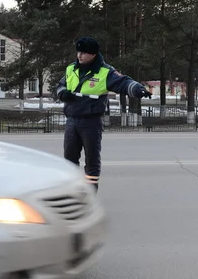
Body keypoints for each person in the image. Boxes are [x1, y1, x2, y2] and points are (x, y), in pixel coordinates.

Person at [56, 37, 152, 192]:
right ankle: (70, 191)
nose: (79, 55)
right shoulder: (71, 69)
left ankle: (90, 191)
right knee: (69, 160)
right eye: (78, 52)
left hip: (91, 122)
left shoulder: (105, 72)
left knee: (92, 160)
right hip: (72, 120)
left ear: (93, 54)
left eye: (84, 53)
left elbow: (123, 82)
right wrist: (63, 94)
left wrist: (137, 89)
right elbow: (61, 85)